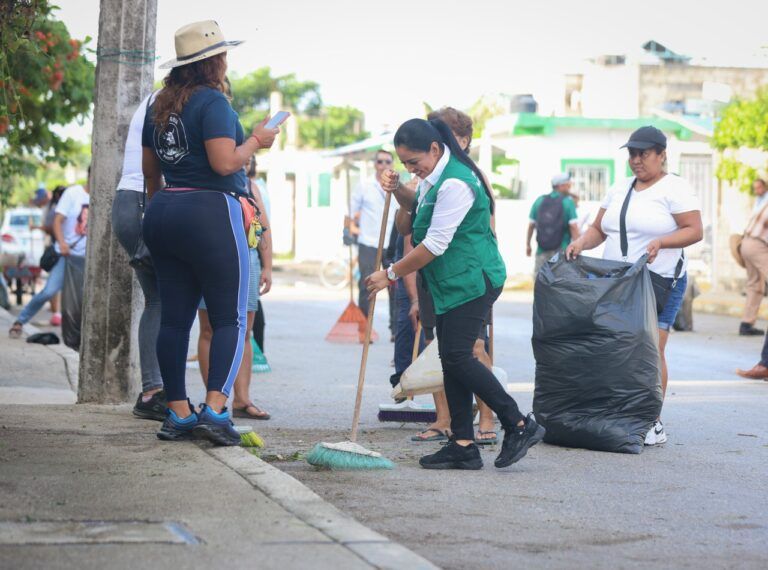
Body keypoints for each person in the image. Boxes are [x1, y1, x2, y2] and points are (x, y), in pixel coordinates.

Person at [367, 118, 545, 471]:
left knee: (459, 357)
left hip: (473, 280)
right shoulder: (432, 179)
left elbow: (433, 243)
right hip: (449, 282)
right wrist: (399, 188)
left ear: (435, 149)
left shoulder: (457, 183)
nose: (410, 169)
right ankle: (462, 444)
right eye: (404, 164)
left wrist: (390, 274)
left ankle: (520, 423)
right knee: (450, 360)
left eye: (413, 162)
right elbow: (410, 217)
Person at [141, 20, 278, 446]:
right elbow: (224, 163)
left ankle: (178, 412)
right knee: (229, 317)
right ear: (214, 62)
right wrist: (256, 139)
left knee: (175, 318)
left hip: (164, 209)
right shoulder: (213, 104)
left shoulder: (159, 106)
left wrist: (168, 208)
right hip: (210, 210)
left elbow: (151, 174)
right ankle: (216, 409)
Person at [566, 126, 703, 446]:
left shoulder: (675, 188)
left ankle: (652, 420)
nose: (637, 160)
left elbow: (694, 230)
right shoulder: (618, 188)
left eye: (643, 154)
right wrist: (581, 243)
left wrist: (662, 241)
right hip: (617, 280)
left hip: (660, 279)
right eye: (632, 154)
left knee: (651, 350)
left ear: (661, 155)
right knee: (615, 347)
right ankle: (619, 412)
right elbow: (599, 229)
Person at [405, 106, 498, 445]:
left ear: (462, 140)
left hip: (468, 274)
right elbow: (412, 228)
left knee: (471, 348)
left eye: (446, 134)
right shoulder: (424, 176)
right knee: (439, 348)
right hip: (433, 272)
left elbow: (483, 230)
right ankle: (446, 421)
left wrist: (392, 273)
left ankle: (489, 417)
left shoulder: (466, 176)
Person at [197, 157, 273, 420]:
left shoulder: (250, 187)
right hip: (210, 258)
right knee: (209, 329)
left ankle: (242, 400)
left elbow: (263, 228)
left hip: (249, 259)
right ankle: (213, 403)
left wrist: (268, 267)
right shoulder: (204, 183)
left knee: (246, 331)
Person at [113, 90, 166, 421]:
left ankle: (156, 389)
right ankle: (153, 392)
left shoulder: (158, 98)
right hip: (144, 201)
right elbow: (156, 166)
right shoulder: (171, 101)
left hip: (132, 201)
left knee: (158, 299)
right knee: (161, 300)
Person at [9, 180, 89, 338]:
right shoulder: (73, 193)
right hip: (67, 255)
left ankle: (79, 336)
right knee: (49, 291)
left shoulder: (103, 195)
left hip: (87, 258)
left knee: (82, 299)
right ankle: (20, 321)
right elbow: (56, 222)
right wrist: (62, 243)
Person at [351, 150, 398, 326]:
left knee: (395, 286)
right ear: (375, 164)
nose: (383, 165)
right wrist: (348, 231)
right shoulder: (364, 185)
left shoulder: (398, 186)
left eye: (387, 162)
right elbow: (351, 211)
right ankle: (364, 327)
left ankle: (395, 327)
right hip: (369, 242)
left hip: (391, 243)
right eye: (380, 162)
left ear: (392, 164)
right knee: (367, 285)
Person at [526, 173, 579, 275]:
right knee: (561, 284)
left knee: (540, 283)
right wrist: (578, 247)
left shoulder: (539, 200)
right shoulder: (568, 202)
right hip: (562, 251)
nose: (570, 187)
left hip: (541, 250)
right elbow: (573, 227)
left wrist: (528, 245)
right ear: (561, 186)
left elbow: (531, 225)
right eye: (568, 185)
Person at [738, 178, 768, 337]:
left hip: (746, 243)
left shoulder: (763, 203)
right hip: (757, 244)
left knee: (755, 285)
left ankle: (746, 323)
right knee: (755, 284)